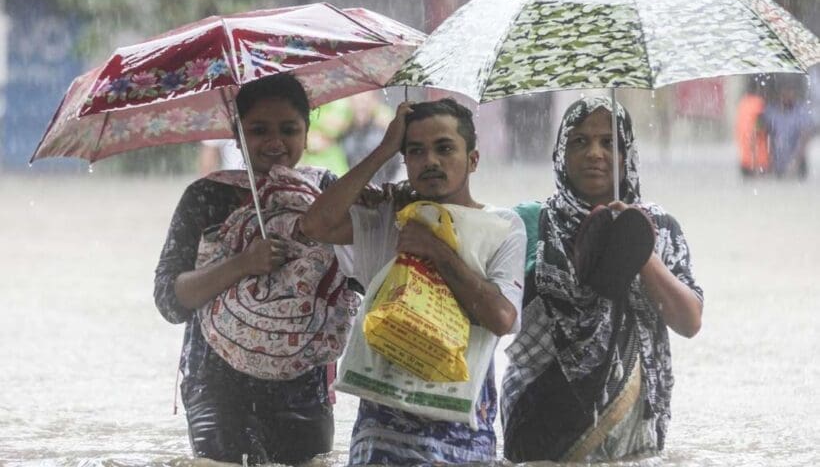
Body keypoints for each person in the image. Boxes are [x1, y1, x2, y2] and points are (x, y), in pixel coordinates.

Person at [301, 98, 526, 465]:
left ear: (473, 159)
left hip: (463, 442)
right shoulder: (388, 215)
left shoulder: (503, 227)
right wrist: (383, 151)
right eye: (416, 151)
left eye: (445, 148)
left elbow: (502, 318)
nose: (431, 161)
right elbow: (315, 225)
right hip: (381, 441)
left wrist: (437, 250)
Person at [501, 97, 704, 463]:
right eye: (580, 141)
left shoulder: (660, 228)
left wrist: (635, 241)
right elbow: (494, 312)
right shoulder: (530, 224)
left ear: (628, 156)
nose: (595, 153)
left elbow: (688, 321)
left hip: (631, 423)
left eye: (609, 142)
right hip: (539, 420)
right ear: (561, 152)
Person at [153, 74, 338, 465]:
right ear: (236, 136)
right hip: (217, 386)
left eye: (289, 129)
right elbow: (170, 300)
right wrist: (242, 263)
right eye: (258, 130)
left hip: (303, 386)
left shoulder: (327, 193)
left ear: (307, 133)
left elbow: (361, 273)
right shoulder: (206, 196)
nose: (275, 142)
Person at [762, 79, 813, 179]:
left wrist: (796, 161)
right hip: (777, 162)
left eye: (790, 93)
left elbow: (805, 136)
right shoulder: (771, 111)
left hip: (797, 163)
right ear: (780, 95)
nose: (787, 97)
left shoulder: (801, 111)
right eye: (784, 94)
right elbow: (763, 134)